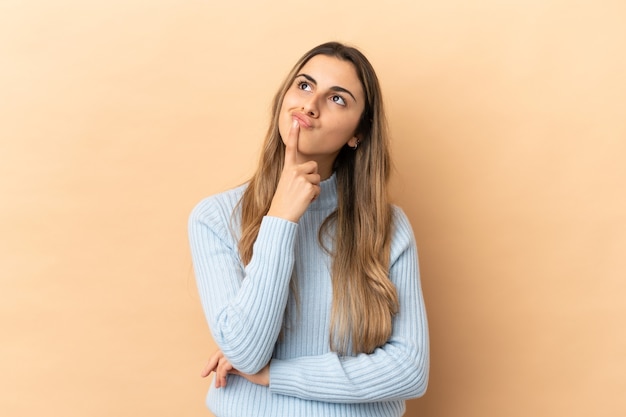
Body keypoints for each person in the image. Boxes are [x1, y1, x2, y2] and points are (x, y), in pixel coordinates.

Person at [188, 41, 429, 417]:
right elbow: (246, 352)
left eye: (337, 99)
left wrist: (276, 375)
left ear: (358, 134)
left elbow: (410, 371)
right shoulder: (216, 217)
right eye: (304, 85)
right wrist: (281, 218)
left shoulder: (388, 228)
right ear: (283, 98)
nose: (310, 105)